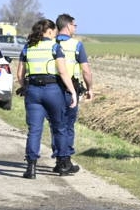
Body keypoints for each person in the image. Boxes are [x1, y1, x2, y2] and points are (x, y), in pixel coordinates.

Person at [13, 19, 77, 179]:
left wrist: (26, 87)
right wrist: (72, 91)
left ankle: (31, 167)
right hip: (53, 90)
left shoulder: (27, 47)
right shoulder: (55, 47)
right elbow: (63, 72)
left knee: (34, 130)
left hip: (33, 90)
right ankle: (62, 165)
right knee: (59, 128)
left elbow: (19, 74)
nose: (55, 33)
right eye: (54, 31)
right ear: (49, 31)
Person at [52, 13, 93, 176]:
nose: (75, 28)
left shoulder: (50, 43)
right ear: (68, 26)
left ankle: (59, 159)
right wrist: (90, 88)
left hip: (52, 88)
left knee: (56, 126)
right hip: (71, 89)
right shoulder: (76, 45)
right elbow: (86, 70)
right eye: (74, 25)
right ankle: (65, 160)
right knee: (68, 126)